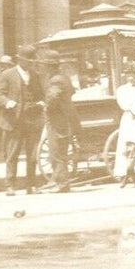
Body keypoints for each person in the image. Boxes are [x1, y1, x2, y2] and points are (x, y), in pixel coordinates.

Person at [0, 48, 44, 196]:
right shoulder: (7, 74)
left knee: (33, 154)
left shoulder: (34, 75)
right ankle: (10, 185)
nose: (30, 65)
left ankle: (31, 185)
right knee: (12, 153)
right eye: (28, 62)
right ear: (20, 60)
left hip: (32, 119)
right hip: (13, 120)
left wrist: (41, 102)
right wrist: (7, 102)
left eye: (32, 62)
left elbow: (39, 94)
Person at [43, 61, 78, 193]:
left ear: (49, 66)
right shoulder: (64, 78)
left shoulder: (55, 80)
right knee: (60, 152)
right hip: (65, 118)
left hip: (57, 120)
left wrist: (46, 107)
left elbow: (53, 97)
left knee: (56, 153)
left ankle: (62, 184)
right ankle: (61, 182)